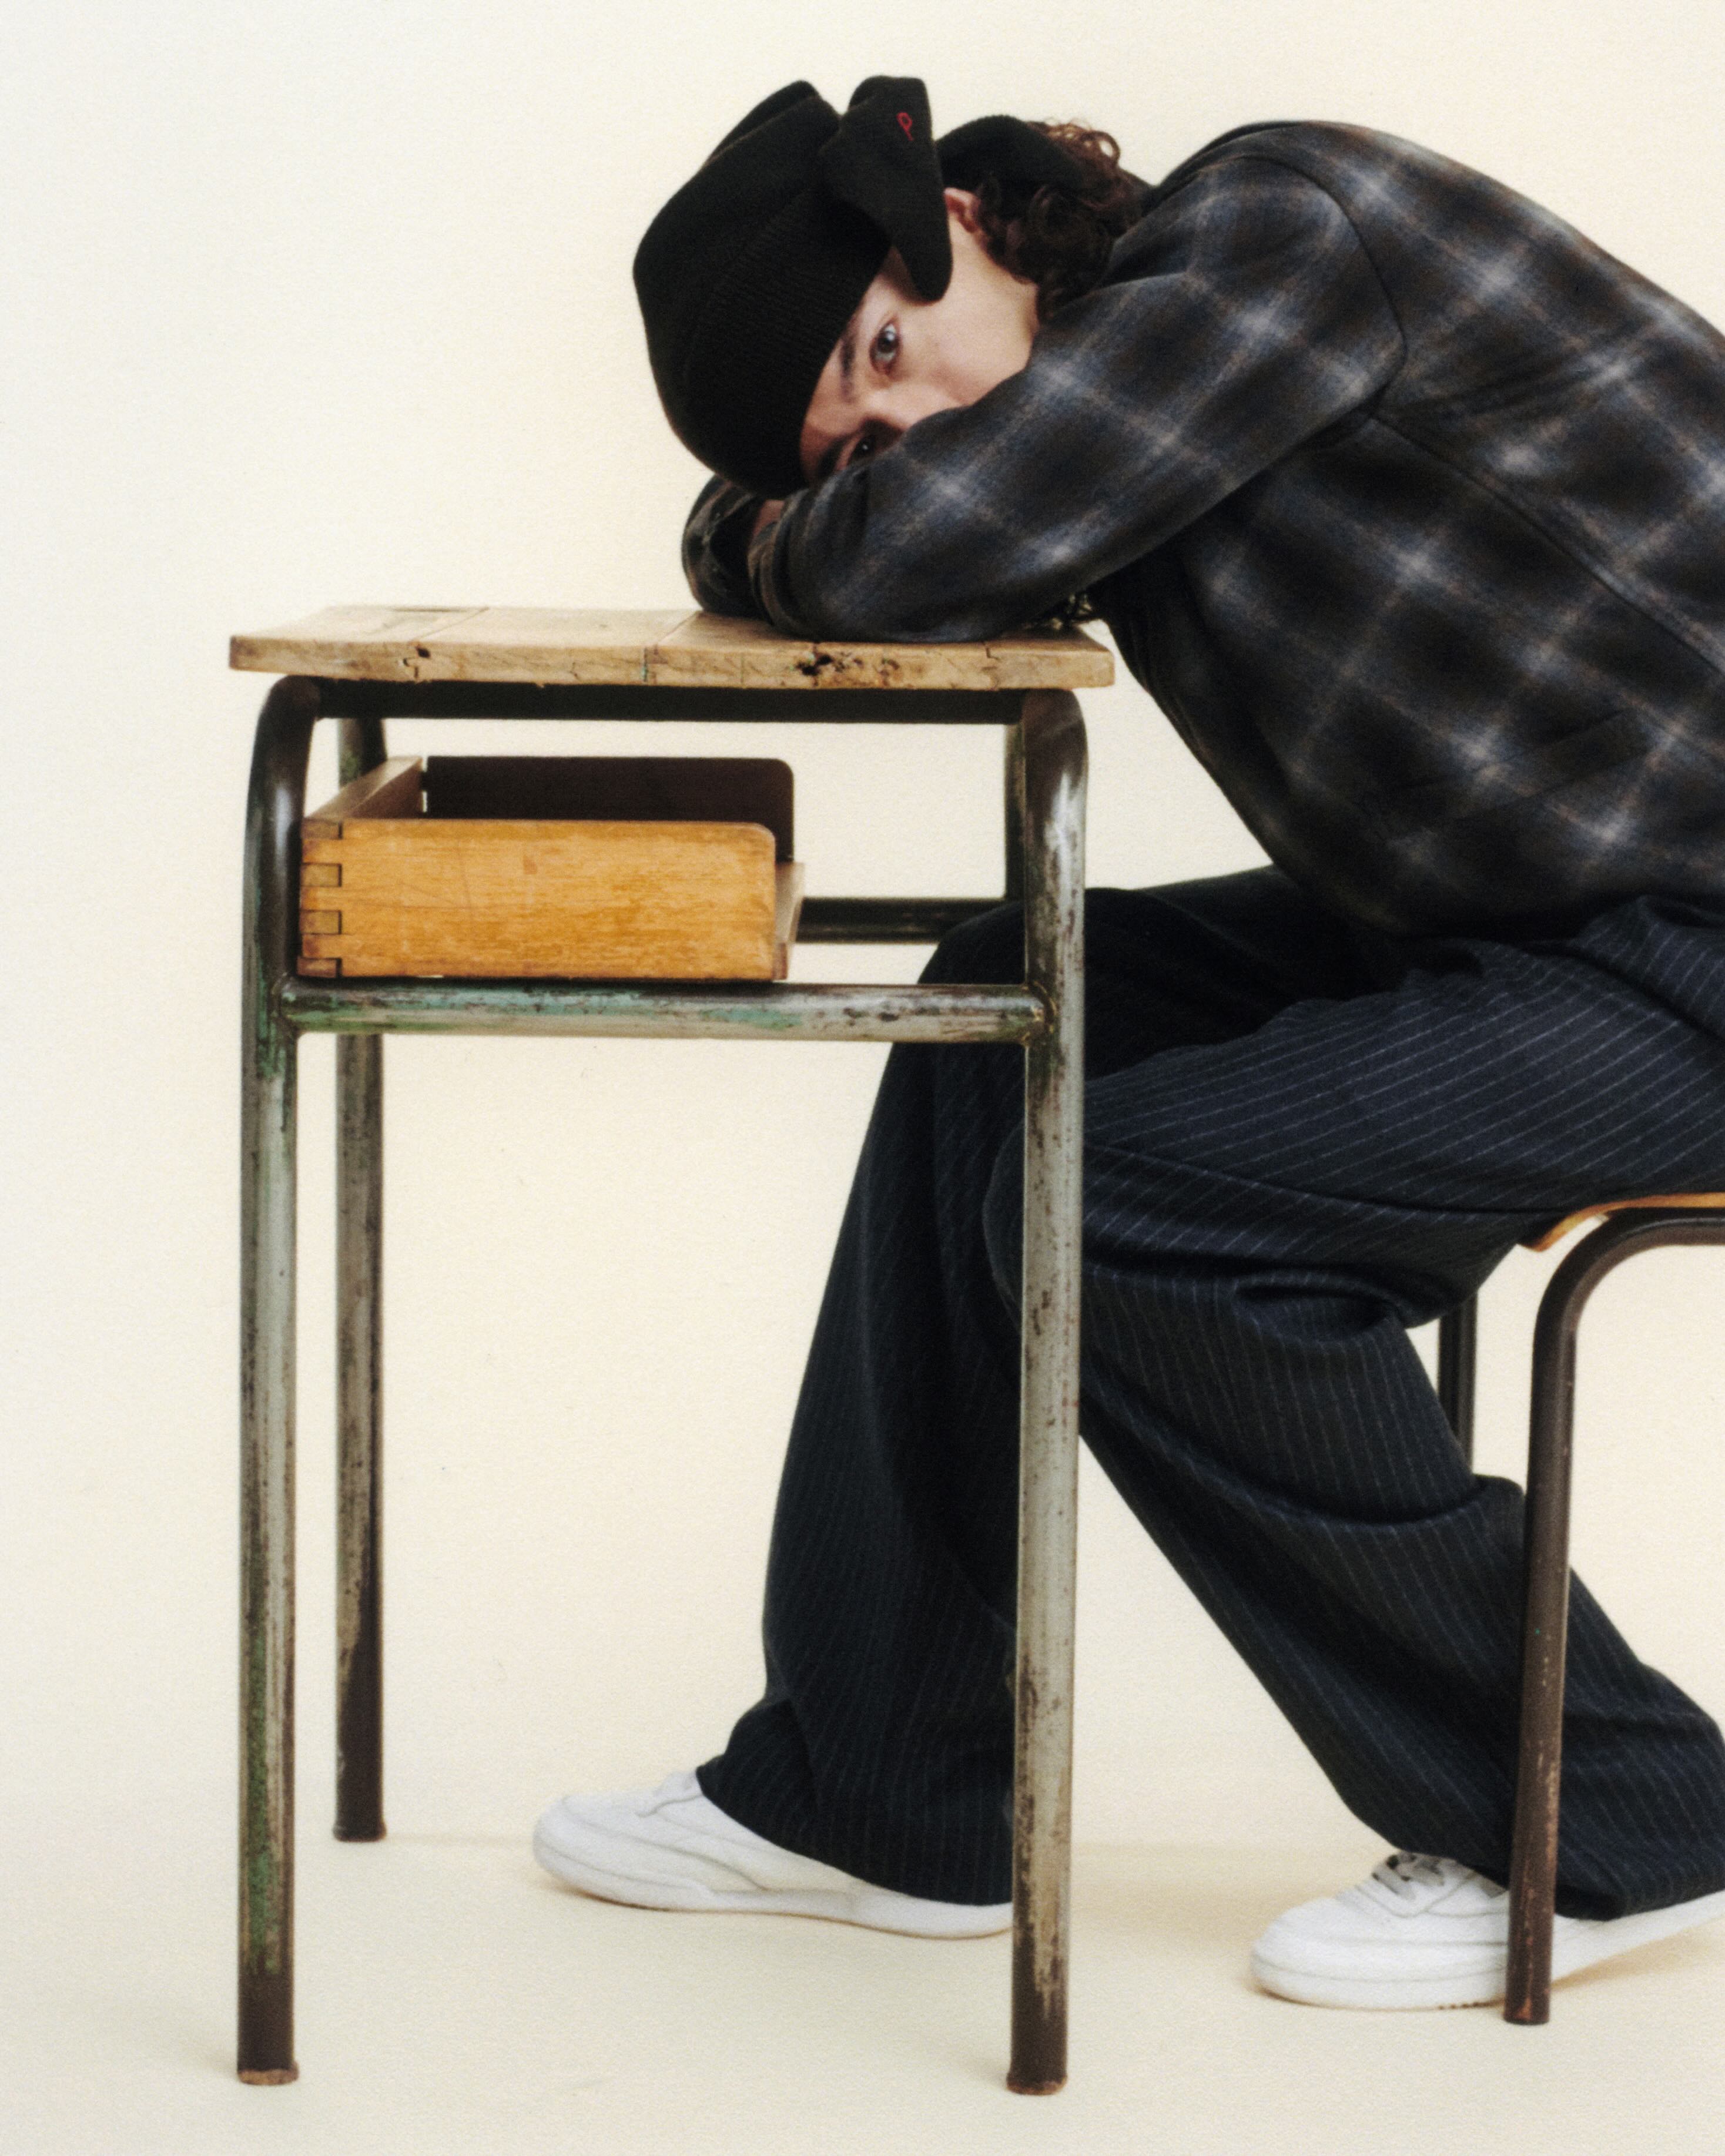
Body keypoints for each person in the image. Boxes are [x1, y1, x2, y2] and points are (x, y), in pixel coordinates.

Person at [533, 76, 1725, 2009]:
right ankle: (884, 1792)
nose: (911, 430)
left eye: (887, 354)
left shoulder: (1279, 234)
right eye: (857, 441)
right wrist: (794, 509)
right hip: (1533, 927)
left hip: (1696, 944)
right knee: (997, 1000)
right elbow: (892, 539)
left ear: (959, 218)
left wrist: (798, 522)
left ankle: (1601, 1820)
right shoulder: (1103, 381)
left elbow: (896, 560)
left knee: (1124, 1200)